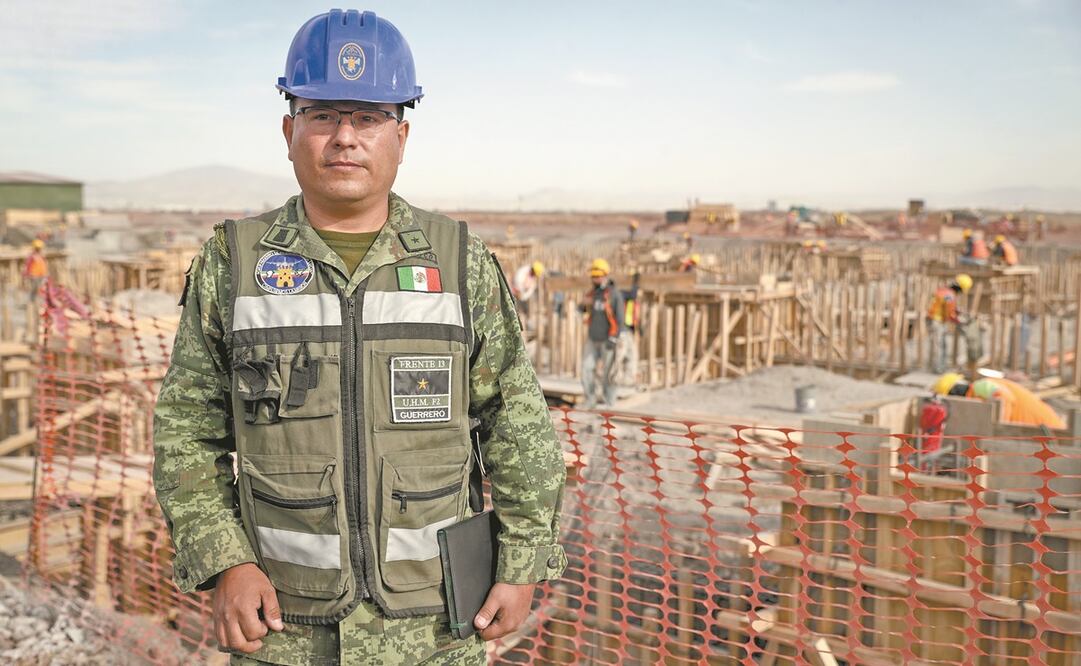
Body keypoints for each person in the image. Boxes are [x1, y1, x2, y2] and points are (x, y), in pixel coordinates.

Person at [152, 11, 566, 665]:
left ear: (400, 135)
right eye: (322, 115)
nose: (345, 138)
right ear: (289, 130)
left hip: (435, 628)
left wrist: (520, 564)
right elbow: (186, 434)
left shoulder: (459, 262)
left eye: (368, 118)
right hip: (283, 629)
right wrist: (224, 561)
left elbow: (516, 423)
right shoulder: (232, 264)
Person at [932, 373, 1065, 429]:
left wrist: (998, 429)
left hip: (1049, 431)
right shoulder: (977, 394)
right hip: (1042, 430)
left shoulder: (980, 386)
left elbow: (1004, 398)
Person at [580, 258, 624, 409]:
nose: (595, 279)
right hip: (593, 338)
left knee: (608, 372)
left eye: (597, 276)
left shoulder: (614, 295)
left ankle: (609, 401)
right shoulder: (592, 294)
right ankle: (590, 399)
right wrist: (583, 305)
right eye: (593, 276)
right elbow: (584, 310)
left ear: (605, 275)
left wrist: (614, 337)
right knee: (586, 368)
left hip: (608, 339)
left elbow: (620, 319)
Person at [926, 273, 972, 373]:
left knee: (942, 344)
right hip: (936, 321)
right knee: (938, 345)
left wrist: (957, 312)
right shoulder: (949, 296)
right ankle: (938, 368)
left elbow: (947, 308)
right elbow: (950, 314)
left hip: (936, 320)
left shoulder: (944, 291)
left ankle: (940, 366)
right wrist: (960, 321)